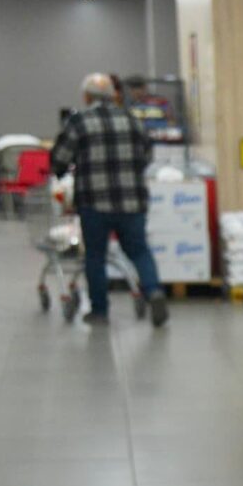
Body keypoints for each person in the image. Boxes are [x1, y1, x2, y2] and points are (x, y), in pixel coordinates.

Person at [49, 72, 169, 327]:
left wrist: (62, 170)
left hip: (94, 203)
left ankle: (100, 311)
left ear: (87, 97)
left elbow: (59, 158)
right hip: (132, 201)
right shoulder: (132, 120)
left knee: (95, 255)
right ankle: (154, 291)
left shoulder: (79, 122)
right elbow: (147, 155)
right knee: (139, 250)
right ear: (114, 96)